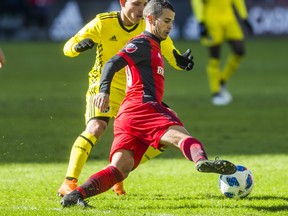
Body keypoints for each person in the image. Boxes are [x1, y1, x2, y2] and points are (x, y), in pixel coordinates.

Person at [60, 0, 236, 208]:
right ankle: (201, 161)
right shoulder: (137, 39)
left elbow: (171, 53)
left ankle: (76, 195)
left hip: (128, 110)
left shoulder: (155, 39)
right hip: (136, 103)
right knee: (181, 137)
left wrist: (180, 62)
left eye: (172, 21)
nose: (170, 26)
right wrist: (102, 86)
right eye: (167, 21)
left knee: (120, 167)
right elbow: (107, 61)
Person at [191, 0, 253, 105]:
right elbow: (197, 2)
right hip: (212, 19)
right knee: (215, 57)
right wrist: (201, 21)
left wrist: (244, 17)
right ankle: (215, 92)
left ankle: (222, 80)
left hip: (229, 18)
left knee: (239, 50)